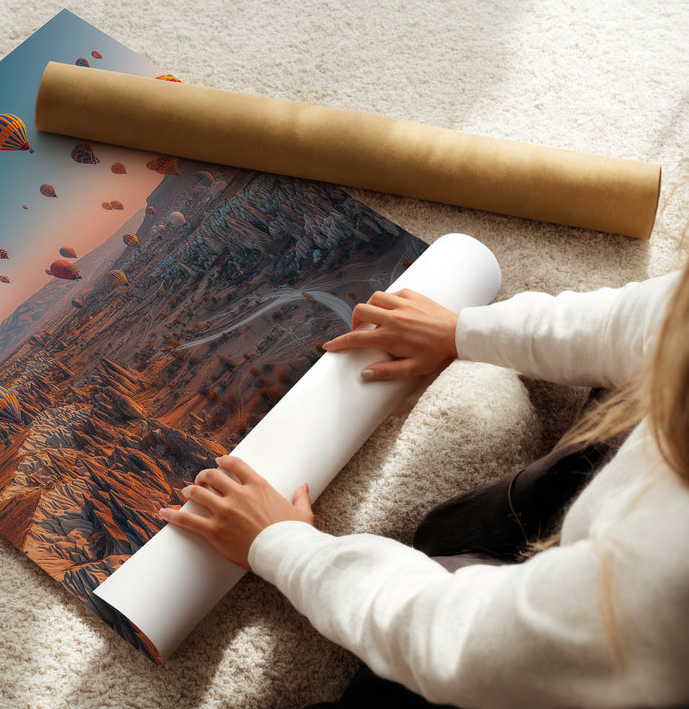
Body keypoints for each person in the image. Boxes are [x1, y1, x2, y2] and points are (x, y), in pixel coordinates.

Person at [159, 268, 689, 708]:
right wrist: (462, 331)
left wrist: (283, 546)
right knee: (452, 531)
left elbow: (460, 641)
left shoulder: (664, 577)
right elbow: (651, 319)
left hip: (611, 656)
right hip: (624, 544)